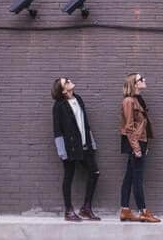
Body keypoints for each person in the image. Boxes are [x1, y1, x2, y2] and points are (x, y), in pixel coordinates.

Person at [51, 77, 101, 221]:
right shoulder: (58, 106)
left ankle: (86, 208)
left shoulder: (78, 99)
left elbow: (84, 123)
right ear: (63, 90)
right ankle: (68, 211)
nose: (69, 81)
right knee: (68, 177)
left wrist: (91, 142)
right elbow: (57, 130)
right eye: (66, 82)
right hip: (70, 148)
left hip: (85, 146)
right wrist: (62, 151)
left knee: (95, 172)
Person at [119, 72, 160, 223]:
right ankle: (143, 211)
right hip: (134, 142)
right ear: (134, 84)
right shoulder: (129, 101)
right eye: (141, 79)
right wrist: (137, 148)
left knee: (130, 176)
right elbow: (129, 127)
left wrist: (145, 144)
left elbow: (142, 125)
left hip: (139, 141)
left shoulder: (138, 99)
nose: (144, 80)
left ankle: (125, 210)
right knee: (137, 178)